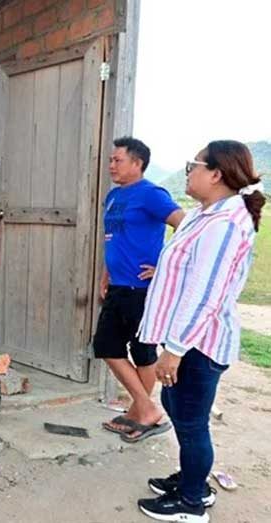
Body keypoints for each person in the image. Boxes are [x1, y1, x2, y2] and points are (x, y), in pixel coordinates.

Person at [135, 140, 265, 522]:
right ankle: (192, 478)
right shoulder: (203, 214)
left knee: (191, 423)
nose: (188, 170)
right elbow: (190, 269)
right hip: (187, 341)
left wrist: (173, 350)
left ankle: (192, 501)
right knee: (178, 410)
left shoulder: (225, 224)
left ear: (216, 174)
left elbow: (206, 294)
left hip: (198, 345)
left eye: (194, 164)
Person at [95, 137, 185, 441]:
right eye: (110, 160)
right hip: (119, 284)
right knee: (108, 346)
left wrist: (165, 268)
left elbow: (185, 226)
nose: (111, 165)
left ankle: (145, 411)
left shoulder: (152, 195)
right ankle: (142, 410)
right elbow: (113, 239)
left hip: (141, 288)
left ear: (137, 163)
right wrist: (105, 274)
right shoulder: (113, 196)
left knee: (142, 351)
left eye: (117, 160)